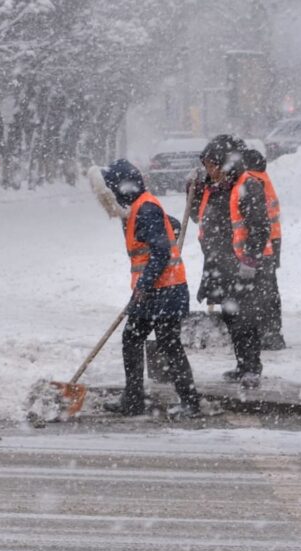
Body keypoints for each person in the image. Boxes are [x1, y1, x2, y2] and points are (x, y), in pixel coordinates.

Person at [100, 160, 201, 417]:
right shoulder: (141, 206)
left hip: (166, 290)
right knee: (132, 338)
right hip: (154, 291)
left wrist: (144, 286)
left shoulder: (144, 208)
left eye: (112, 189)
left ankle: (190, 402)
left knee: (169, 343)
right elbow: (167, 228)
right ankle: (133, 399)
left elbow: (160, 252)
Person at [196, 135, 274, 387]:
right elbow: (201, 216)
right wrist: (194, 189)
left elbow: (261, 227)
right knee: (231, 317)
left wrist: (250, 260)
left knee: (246, 318)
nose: (208, 170)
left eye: (212, 165)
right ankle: (242, 364)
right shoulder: (216, 187)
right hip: (220, 265)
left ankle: (252, 367)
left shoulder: (246, 185)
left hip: (243, 266)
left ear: (224, 164)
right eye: (206, 165)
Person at [243, 148, 285, 350]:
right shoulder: (263, 177)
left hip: (262, 240)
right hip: (273, 238)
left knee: (263, 289)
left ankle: (268, 333)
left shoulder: (251, 180)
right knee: (269, 288)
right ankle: (272, 331)